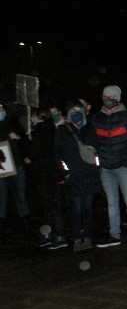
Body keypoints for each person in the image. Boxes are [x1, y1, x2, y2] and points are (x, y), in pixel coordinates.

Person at [91, 85, 127, 248]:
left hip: (123, 167)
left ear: (118, 98)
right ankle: (114, 235)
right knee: (112, 203)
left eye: (112, 96)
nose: (108, 99)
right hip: (106, 168)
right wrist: (99, 161)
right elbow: (94, 142)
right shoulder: (98, 118)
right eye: (105, 96)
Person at [54, 101, 101, 253]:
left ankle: (87, 237)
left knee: (87, 208)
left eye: (79, 110)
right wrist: (65, 172)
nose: (76, 113)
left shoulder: (89, 129)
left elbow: (97, 151)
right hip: (73, 176)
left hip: (89, 175)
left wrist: (96, 168)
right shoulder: (62, 130)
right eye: (73, 110)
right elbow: (57, 154)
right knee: (76, 208)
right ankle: (75, 238)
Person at [29, 107, 68, 249]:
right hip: (54, 172)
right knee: (54, 204)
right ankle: (55, 234)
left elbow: (35, 153)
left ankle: (56, 235)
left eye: (33, 116)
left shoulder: (38, 133)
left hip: (44, 173)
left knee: (49, 205)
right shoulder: (53, 130)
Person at [0, 102, 32, 243]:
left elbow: (24, 139)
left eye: (1, 109)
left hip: (17, 165)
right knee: (1, 199)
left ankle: (26, 228)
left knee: (21, 197)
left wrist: (19, 138)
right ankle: (2, 231)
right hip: (2, 168)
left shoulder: (12, 123)